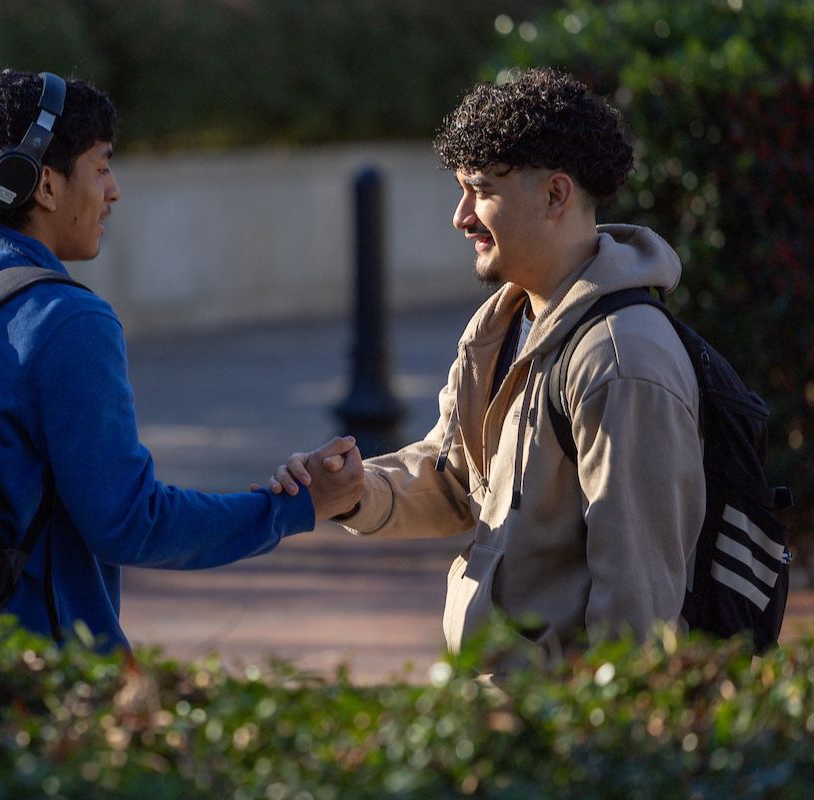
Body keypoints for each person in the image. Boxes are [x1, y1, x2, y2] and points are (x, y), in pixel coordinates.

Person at [0, 69, 364, 653]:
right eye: (102, 166)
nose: (114, 190)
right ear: (43, 184)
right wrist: (292, 510)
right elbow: (129, 522)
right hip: (37, 684)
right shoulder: (66, 320)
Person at [271, 68, 705, 667]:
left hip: (560, 726)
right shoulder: (501, 325)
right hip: (498, 701)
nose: (461, 215)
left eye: (481, 190)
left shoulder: (620, 359)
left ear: (556, 194)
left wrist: (602, 736)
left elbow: (638, 602)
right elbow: (457, 479)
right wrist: (354, 493)